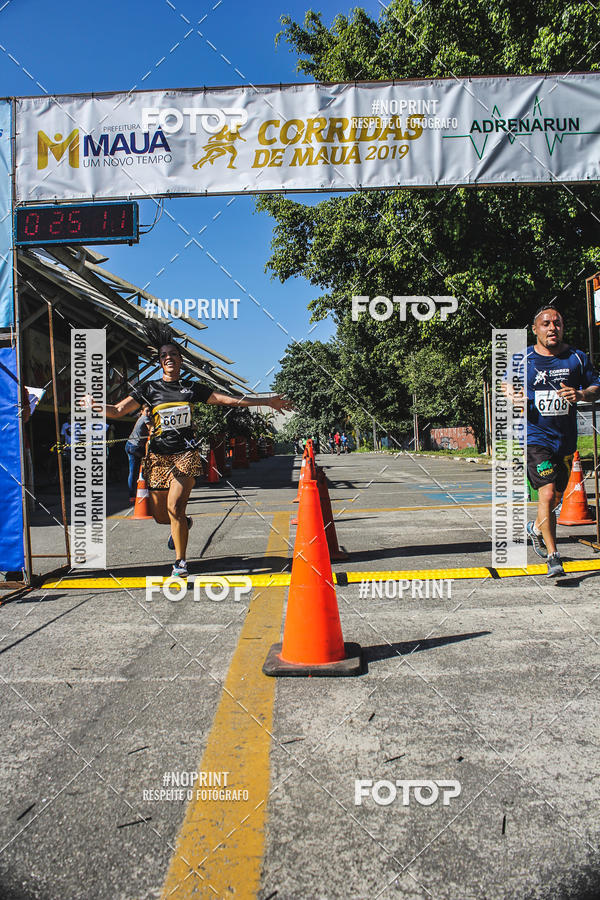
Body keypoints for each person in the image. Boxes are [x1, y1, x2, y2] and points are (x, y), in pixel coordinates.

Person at [81, 323, 292, 578]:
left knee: (175, 508)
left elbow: (227, 400)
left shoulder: (191, 388)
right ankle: (184, 524)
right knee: (161, 516)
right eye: (164, 355)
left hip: (185, 454)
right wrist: (95, 405)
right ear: (160, 362)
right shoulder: (149, 389)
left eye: (173, 354)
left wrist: (266, 401)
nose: (169, 358)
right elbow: (117, 411)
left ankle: (180, 563)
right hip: (158, 457)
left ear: (180, 360)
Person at [525, 306, 600, 577]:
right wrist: (513, 395)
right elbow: (506, 385)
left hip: (566, 441)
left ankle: (536, 528)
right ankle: (553, 557)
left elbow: (596, 386)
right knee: (546, 494)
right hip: (536, 438)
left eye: (557, 323)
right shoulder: (524, 360)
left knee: (556, 497)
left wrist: (580, 394)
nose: (552, 328)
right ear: (535, 329)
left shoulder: (576, 358)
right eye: (546, 323)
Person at [125, 405, 151, 502]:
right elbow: (151, 429)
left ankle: (131, 495)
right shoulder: (145, 418)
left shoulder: (140, 418)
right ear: (142, 411)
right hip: (135, 447)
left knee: (132, 471)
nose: (149, 413)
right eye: (147, 411)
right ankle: (145, 485)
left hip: (129, 445)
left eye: (150, 411)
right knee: (148, 462)